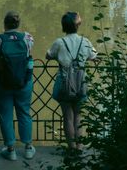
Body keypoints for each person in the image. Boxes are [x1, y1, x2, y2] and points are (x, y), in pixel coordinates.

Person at [46, 12, 97, 151]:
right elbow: (94, 56)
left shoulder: (59, 42)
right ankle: (80, 147)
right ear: (78, 26)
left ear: (63, 26)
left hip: (64, 83)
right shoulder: (85, 42)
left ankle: (71, 149)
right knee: (78, 116)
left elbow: (48, 55)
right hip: (81, 83)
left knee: (67, 117)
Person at [0, 11, 36, 161]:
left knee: (5, 116)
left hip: (2, 84)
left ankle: (11, 150)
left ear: (4, 24)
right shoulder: (28, 38)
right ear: (18, 24)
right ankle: (28, 148)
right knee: (24, 112)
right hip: (23, 83)